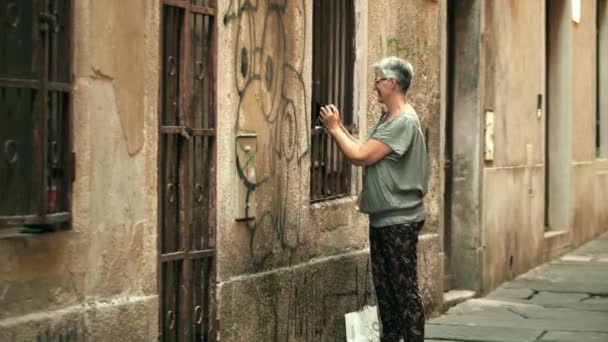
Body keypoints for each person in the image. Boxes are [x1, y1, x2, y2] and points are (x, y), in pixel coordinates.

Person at [319, 56, 427, 342]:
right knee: (387, 291)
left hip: (400, 218)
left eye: (378, 80)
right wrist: (339, 127)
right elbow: (363, 148)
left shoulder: (403, 121)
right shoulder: (387, 117)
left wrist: (333, 129)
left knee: (404, 292)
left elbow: (359, 156)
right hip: (385, 217)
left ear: (392, 83)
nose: (375, 86)